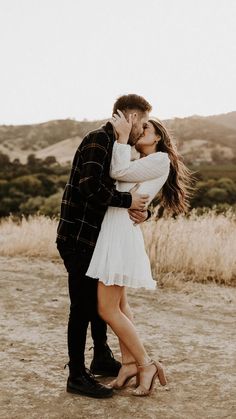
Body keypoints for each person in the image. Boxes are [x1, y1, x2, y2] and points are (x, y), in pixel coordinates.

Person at [86, 113, 192, 396]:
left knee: (106, 308)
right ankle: (130, 363)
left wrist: (121, 138)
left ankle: (146, 364)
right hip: (116, 230)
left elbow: (116, 173)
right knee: (119, 305)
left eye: (147, 127)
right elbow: (123, 183)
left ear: (157, 137)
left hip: (119, 234)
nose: (140, 129)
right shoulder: (144, 162)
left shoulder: (159, 159)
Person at [56, 94, 152, 398]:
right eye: (144, 122)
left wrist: (141, 209)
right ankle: (76, 375)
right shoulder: (99, 139)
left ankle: (100, 356)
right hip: (78, 237)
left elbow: (127, 188)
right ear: (132, 118)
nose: (144, 129)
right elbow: (90, 188)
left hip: (98, 239)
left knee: (100, 303)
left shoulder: (119, 146)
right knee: (82, 306)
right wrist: (127, 202)